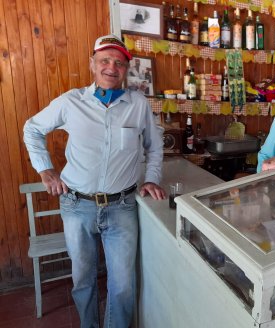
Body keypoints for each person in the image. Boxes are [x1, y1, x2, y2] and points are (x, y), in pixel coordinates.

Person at [23, 34, 165, 328]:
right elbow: (32, 129)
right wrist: (45, 169)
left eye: (119, 63)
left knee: (123, 285)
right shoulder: (70, 102)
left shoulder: (137, 104)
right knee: (83, 280)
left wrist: (151, 178)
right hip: (77, 205)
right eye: (104, 60)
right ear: (92, 64)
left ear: (126, 69)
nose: (111, 67)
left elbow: (155, 145)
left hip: (122, 206)